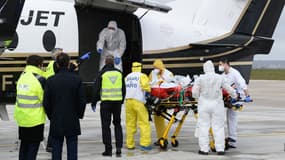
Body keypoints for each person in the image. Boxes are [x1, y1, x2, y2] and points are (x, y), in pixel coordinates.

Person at [43, 53, 86, 160]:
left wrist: (51, 116)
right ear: (68, 64)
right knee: (72, 148)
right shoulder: (77, 79)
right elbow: (82, 101)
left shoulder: (50, 81)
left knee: (56, 148)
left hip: (56, 119)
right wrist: (79, 115)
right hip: (72, 118)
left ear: (57, 64)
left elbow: (46, 102)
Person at [192, 60, 237, 155]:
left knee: (203, 127)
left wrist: (197, 98)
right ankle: (220, 149)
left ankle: (204, 149)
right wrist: (234, 96)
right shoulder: (220, 78)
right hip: (217, 105)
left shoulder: (200, 78)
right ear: (213, 68)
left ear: (205, 69)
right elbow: (229, 88)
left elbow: (194, 93)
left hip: (204, 105)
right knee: (218, 127)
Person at [91, 55, 125, 157]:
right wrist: (121, 100)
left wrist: (93, 102)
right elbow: (123, 89)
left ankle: (108, 149)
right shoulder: (119, 73)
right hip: (117, 103)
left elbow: (96, 89)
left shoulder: (102, 73)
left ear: (105, 63)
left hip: (106, 103)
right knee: (117, 124)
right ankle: (119, 148)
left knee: (106, 126)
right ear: (114, 63)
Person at [14, 55, 46, 160]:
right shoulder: (40, 79)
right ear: (39, 65)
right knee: (33, 148)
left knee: (24, 146)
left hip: (22, 118)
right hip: (35, 119)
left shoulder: (22, 76)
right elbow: (45, 99)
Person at [218, 58, 252, 149]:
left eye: (221, 64)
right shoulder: (223, 75)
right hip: (228, 97)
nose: (219, 66)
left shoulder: (234, 73)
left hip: (236, 97)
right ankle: (231, 139)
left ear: (226, 64)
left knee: (231, 117)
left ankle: (232, 139)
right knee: (229, 118)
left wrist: (247, 95)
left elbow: (242, 84)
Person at [125, 62, 152, 151]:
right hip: (139, 101)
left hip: (128, 101)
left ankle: (130, 144)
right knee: (144, 123)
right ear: (140, 67)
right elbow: (146, 87)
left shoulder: (127, 77)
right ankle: (145, 144)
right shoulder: (142, 76)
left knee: (130, 123)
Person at [149, 59, 173, 144]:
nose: (155, 69)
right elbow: (150, 84)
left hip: (164, 99)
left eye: (157, 68)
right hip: (156, 99)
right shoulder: (153, 73)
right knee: (158, 119)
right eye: (154, 68)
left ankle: (163, 138)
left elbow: (170, 85)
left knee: (160, 119)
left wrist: (159, 81)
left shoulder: (168, 73)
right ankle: (161, 138)